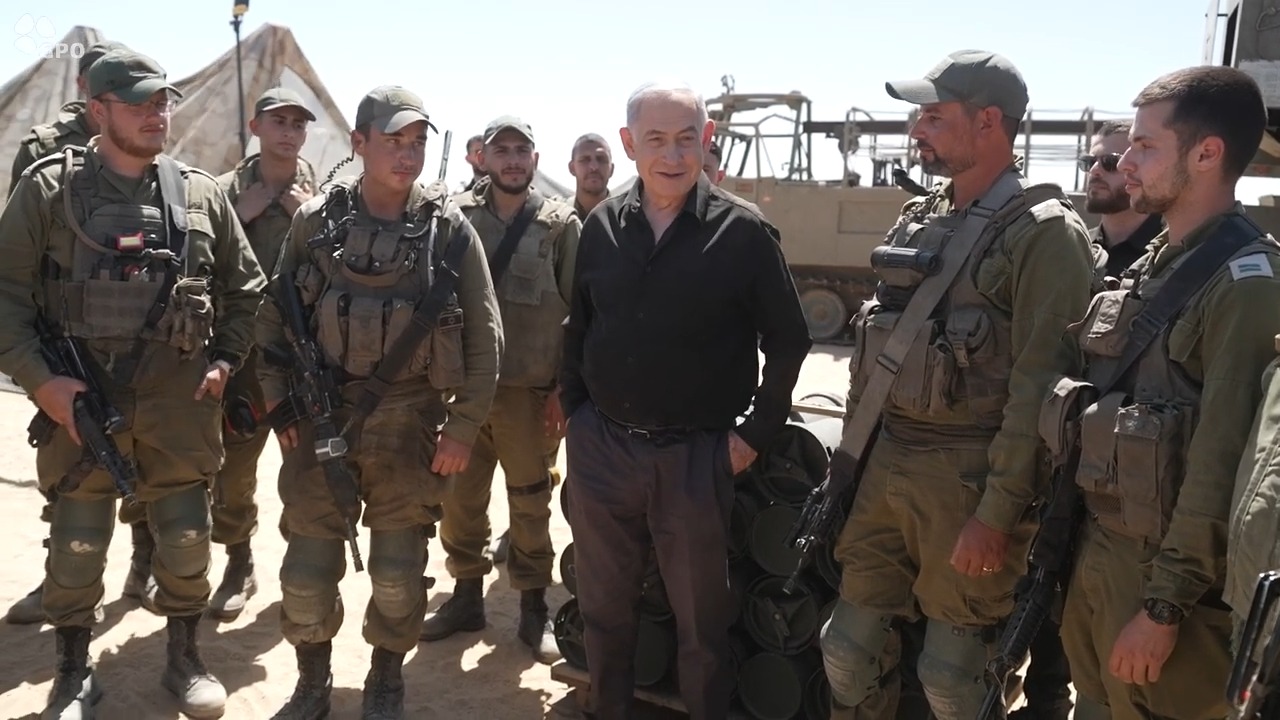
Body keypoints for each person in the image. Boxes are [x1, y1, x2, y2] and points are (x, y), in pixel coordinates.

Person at [818, 50, 1095, 720]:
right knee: (846, 652)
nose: (918, 129)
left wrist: (996, 514)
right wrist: (849, 467)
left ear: (989, 121)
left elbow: (1038, 393)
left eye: (935, 116)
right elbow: (875, 349)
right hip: (886, 465)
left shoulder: (1046, 236)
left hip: (972, 478)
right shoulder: (920, 216)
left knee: (953, 676)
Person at [0, 48, 266, 719]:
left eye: (163, 101)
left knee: (185, 534)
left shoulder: (201, 194)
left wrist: (224, 361)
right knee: (78, 539)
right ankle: (72, 672)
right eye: (140, 102)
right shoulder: (48, 189)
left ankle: (185, 657)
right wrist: (40, 382)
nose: (157, 113)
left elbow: (247, 291)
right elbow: (5, 297)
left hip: (180, 406)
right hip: (80, 403)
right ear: (98, 109)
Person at [560, 80, 812, 719]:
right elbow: (579, 327)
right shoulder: (600, 227)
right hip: (603, 450)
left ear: (707, 139)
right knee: (604, 612)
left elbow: (789, 340)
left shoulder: (744, 233)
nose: (672, 156)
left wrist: (752, 437)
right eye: (655, 140)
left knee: (703, 626)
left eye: (685, 139)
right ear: (628, 144)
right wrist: (576, 416)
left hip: (695, 460)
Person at [256, 85, 502, 719]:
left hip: (409, 420)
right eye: (393, 140)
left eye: (417, 142)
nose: (407, 154)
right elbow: (274, 317)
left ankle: (386, 679)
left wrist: (463, 427)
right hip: (320, 415)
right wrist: (280, 406)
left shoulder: (449, 229)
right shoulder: (317, 221)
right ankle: (313, 683)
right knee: (306, 575)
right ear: (359, 143)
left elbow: (485, 337)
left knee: (397, 574)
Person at [1057, 65, 1280, 720]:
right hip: (1103, 556)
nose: (1125, 163)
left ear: (1206, 154)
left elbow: (1223, 462)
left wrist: (1164, 608)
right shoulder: (1156, 264)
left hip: (1164, 583)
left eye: (1145, 146)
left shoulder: (1247, 285)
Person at [4, 38, 161, 627]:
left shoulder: (145, 132)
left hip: (136, 328)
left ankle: (144, 566)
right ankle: (62, 579)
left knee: (142, 456)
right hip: (65, 332)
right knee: (71, 461)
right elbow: (22, 250)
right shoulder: (45, 149)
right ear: (87, 92)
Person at [419, 115, 579, 664]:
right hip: (463, 394)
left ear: (535, 160)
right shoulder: (454, 218)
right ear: (483, 158)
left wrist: (565, 386)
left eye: (521, 151)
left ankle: (534, 607)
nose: (512, 160)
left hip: (527, 396)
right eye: (501, 150)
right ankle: (467, 596)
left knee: (530, 503)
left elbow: (583, 312)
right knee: (460, 501)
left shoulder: (560, 225)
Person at [204, 86, 318, 621]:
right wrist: (237, 214)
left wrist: (307, 217)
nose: (289, 132)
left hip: (302, 360)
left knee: (307, 469)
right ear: (256, 127)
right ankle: (239, 562)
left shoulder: (325, 197)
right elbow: (198, 262)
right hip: (243, 357)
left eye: (298, 123)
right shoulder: (221, 192)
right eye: (279, 121)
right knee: (233, 472)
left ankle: (303, 569)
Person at [1081, 120, 1165, 282]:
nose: (1094, 171)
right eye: (1089, 162)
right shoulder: (1077, 247)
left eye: (1111, 162)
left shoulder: (1168, 251)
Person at [566, 132, 615, 216]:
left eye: (601, 159)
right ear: (572, 168)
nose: (594, 167)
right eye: (585, 160)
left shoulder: (628, 218)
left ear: (612, 169)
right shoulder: (557, 218)